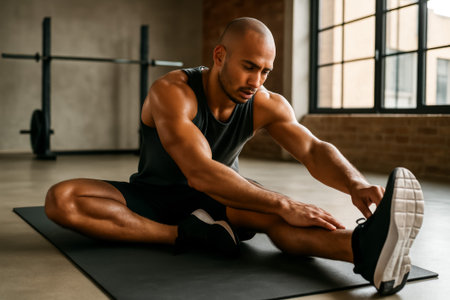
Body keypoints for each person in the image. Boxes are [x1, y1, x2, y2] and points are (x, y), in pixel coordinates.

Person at [44, 17, 424, 295]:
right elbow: (199, 171)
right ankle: (187, 236)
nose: (256, 81)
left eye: (265, 71)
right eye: (249, 67)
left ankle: (366, 250)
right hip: (154, 197)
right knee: (62, 199)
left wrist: (354, 183)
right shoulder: (173, 92)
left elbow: (311, 148)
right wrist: (282, 201)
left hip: (223, 198)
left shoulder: (264, 103)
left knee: (280, 221)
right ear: (220, 55)